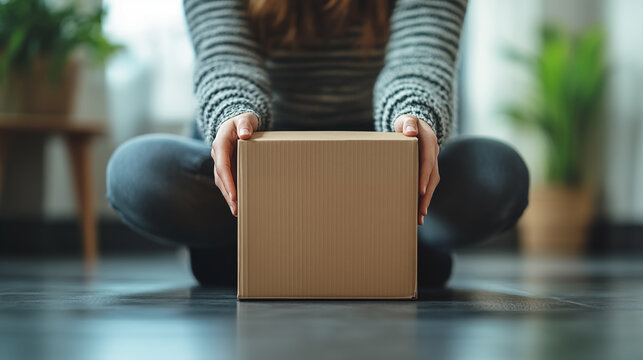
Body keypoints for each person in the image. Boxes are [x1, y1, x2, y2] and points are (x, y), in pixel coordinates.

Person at [106, 0, 529, 288]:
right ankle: (386, 252)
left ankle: (259, 251)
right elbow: (226, 55)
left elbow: (420, 54)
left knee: (499, 174)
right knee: (134, 173)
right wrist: (235, 114)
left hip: (381, 162)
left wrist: (411, 119)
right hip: (259, 160)